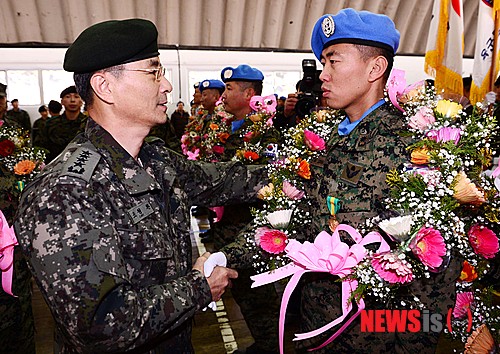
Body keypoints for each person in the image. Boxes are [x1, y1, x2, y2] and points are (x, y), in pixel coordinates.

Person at [14, 18, 267, 353]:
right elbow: (101, 324)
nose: (167, 86)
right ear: (105, 87)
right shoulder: (64, 191)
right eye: (153, 72)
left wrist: (302, 171)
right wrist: (199, 288)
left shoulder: (155, 160)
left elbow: (227, 180)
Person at [295, 9, 461, 353]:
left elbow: (436, 270)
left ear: (375, 69)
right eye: (323, 62)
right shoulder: (328, 138)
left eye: (333, 61)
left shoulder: (412, 147)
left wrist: (411, 347)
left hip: (370, 336)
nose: (323, 75)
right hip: (316, 325)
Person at [215, 64, 280, 354]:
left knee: (259, 295)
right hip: (227, 228)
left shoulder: (265, 137)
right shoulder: (227, 131)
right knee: (244, 293)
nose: (223, 96)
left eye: (229, 89)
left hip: (250, 230)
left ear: (249, 93)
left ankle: (270, 345)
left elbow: (269, 185)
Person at [0, 82, 36, 354]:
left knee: (19, 301)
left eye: (0, 98)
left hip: (12, 234)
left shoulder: (14, 133)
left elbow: (28, 172)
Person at [44, 85, 87, 161]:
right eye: (68, 97)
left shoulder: (89, 124)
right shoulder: (51, 124)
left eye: (76, 97)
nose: (72, 100)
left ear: (82, 102)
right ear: (62, 102)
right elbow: (42, 148)